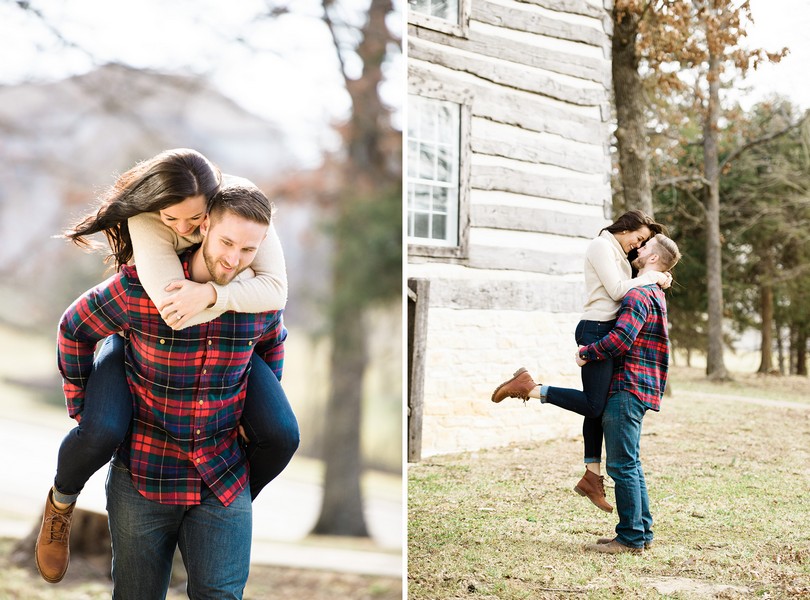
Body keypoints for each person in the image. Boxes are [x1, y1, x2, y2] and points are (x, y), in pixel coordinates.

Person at [35, 149, 299, 584]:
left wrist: (251, 409)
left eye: (246, 249)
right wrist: (84, 406)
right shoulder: (143, 277)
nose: (234, 259)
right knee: (100, 431)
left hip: (222, 473)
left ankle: (229, 510)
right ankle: (61, 502)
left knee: (283, 434)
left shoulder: (256, 286)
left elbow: (274, 339)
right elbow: (76, 326)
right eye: (226, 244)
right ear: (208, 228)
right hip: (144, 447)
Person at [491, 210, 670, 512]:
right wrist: (654, 276)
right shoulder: (601, 246)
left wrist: (660, 274)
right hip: (597, 328)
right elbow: (616, 290)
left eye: (643, 244)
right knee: (593, 405)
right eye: (637, 238)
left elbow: (638, 276)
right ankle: (529, 387)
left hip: (607, 329)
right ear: (626, 228)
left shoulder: (619, 253)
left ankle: (592, 474)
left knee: (597, 407)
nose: (637, 246)